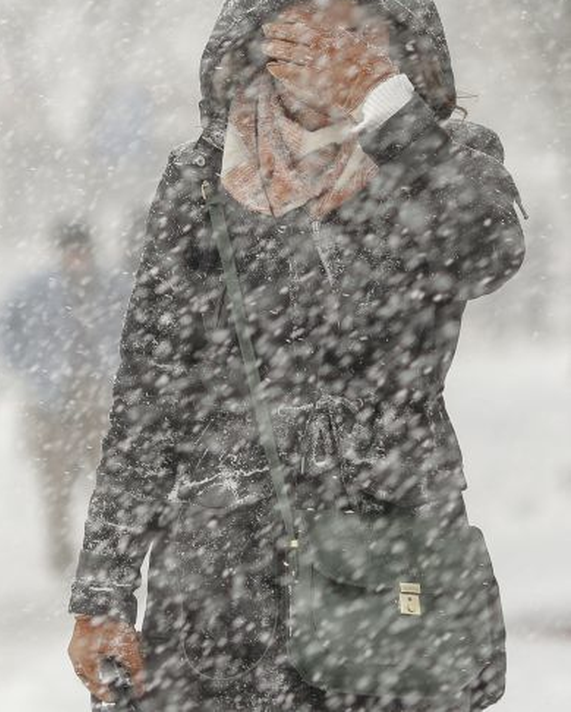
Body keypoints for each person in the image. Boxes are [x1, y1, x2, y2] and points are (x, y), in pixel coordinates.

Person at [67, 0, 524, 709]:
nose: (328, 43)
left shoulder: (441, 158)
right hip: (219, 580)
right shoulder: (204, 177)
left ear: (400, 40)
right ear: (259, 38)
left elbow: (486, 252)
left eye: (355, 25)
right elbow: (149, 394)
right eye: (304, 21)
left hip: (392, 558)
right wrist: (104, 592)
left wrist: (385, 109)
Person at [0, 221, 129, 574]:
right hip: (50, 402)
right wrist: (30, 367)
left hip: (100, 397)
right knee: (55, 484)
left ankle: (107, 551)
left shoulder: (114, 288)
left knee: (106, 479)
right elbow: (3, 330)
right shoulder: (35, 291)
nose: (77, 258)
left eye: (82, 251)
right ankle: (60, 555)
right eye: (71, 251)